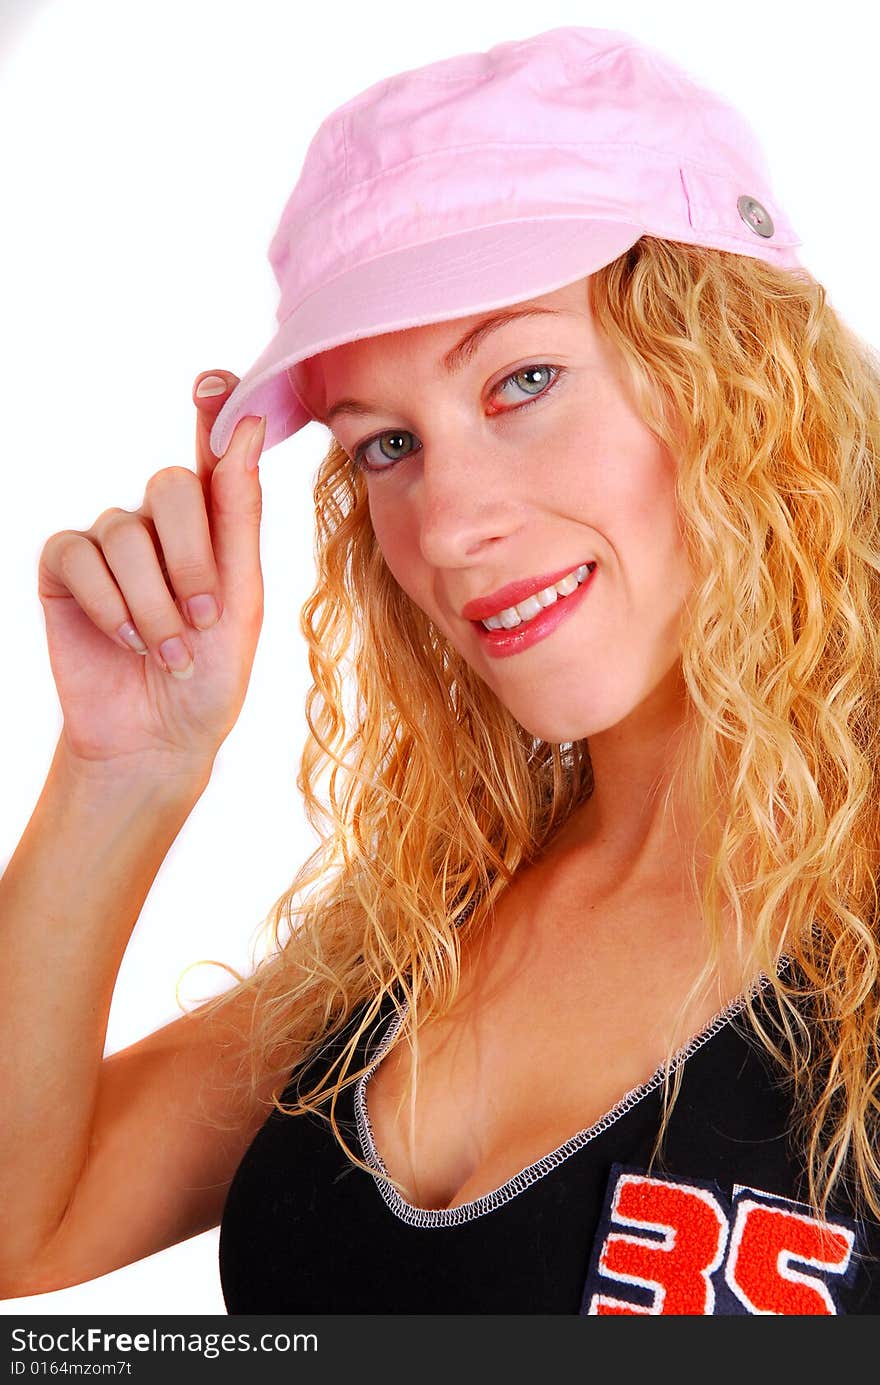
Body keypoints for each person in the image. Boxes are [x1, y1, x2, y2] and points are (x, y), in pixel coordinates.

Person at [2, 24, 880, 1316]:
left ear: (736, 376)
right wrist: (121, 772)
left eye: (524, 379)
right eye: (386, 445)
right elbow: (28, 1224)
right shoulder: (414, 930)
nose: (451, 525)